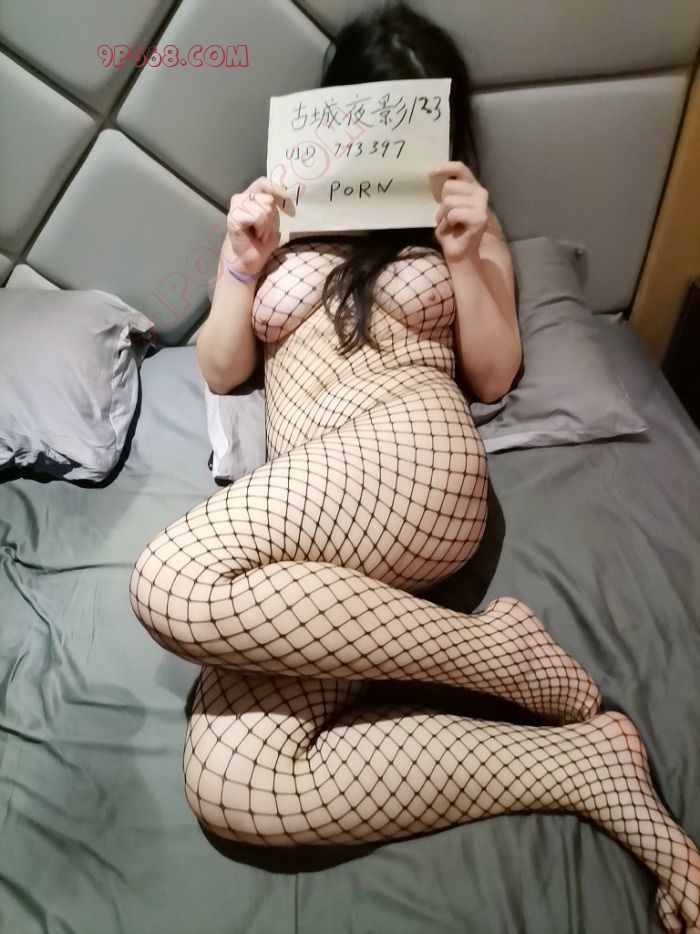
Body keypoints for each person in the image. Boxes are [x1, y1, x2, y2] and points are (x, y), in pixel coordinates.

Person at [128, 3, 699, 930]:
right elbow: (224, 370)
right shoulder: (279, 220)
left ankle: (500, 661)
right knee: (233, 781)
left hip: (412, 457)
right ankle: (581, 765)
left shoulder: (463, 226)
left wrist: (468, 254)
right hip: (319, 512)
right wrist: (239, 261)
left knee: (173, 578)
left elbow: (494, 373)